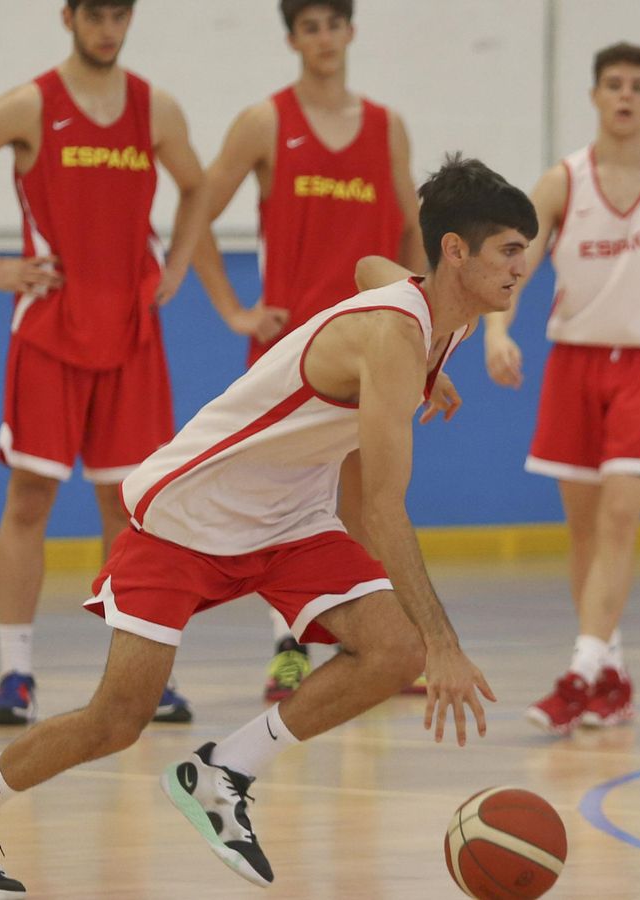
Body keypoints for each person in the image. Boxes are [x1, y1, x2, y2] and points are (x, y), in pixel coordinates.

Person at [0, 155, 536, 899]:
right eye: (509, 251)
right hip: (193, 513)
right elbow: (380, 509)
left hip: (287, 519)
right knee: (119, 719)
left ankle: (223, 771)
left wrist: (431, 373)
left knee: (393, 650)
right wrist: (447, 645)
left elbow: (372, 267)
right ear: (456, 251)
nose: (521, 268)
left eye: (525, 251)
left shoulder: (437, 315)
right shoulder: (394, 337)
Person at [0, 0, 206, 726]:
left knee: (128, 507)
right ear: (68, 17)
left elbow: (197, 185)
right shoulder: (31, 106)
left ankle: (141, 675)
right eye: (95, 14)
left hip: (131, 332)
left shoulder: (156, 109)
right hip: (50, 331)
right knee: (30, 498)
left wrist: (177, 264)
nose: (108, 28)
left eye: (119, 15)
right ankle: (15, 675)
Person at [482, 43, 640, 736]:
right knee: (585, 530)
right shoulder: (561, 183)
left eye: (637, 85)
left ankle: (579, 673)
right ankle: (611, 676)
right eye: (613, 83)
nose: (625, 95)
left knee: (621, 516)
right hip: (576, 363)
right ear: (594, 95)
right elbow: (512, 267)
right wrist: (496, 333)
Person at [190, 0, 430, 701]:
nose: (324, 38)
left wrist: (421, 327)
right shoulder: (265, 122)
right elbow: (196, 212)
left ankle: (375, 646)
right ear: (293, 39)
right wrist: (233, 308)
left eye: (334, 24)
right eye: (310, 27)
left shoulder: (387, 127)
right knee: (285, 503)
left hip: (371, 348)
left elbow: (413, 233)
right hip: (291, 353)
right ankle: (288, 648)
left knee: (370, 499)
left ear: (352, 31)